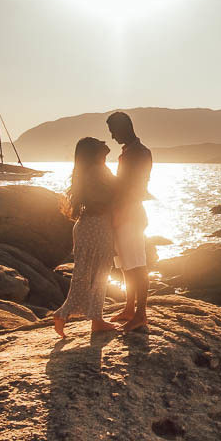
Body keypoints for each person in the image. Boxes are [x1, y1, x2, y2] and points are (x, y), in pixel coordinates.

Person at [53, 137, 118, 338]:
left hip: (89, 225)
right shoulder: (97, 171)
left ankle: (71, 315)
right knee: (98, 272)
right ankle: (85, 318)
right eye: (99, 142)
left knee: (87, 272)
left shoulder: (90, 171)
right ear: (93, 151)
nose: (104, 141)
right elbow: (102, 201)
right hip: (97, 225)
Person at [106, 111, 153, 332]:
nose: (113, 137)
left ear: (124, 127)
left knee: (137, 264)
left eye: (114, 131)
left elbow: (134, 186)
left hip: (131, 213)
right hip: (122, 211)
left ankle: (141, 314)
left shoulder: (140, 153)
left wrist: (120, 209)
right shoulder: (128, 151)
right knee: (126, 264)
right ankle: (129, 308)